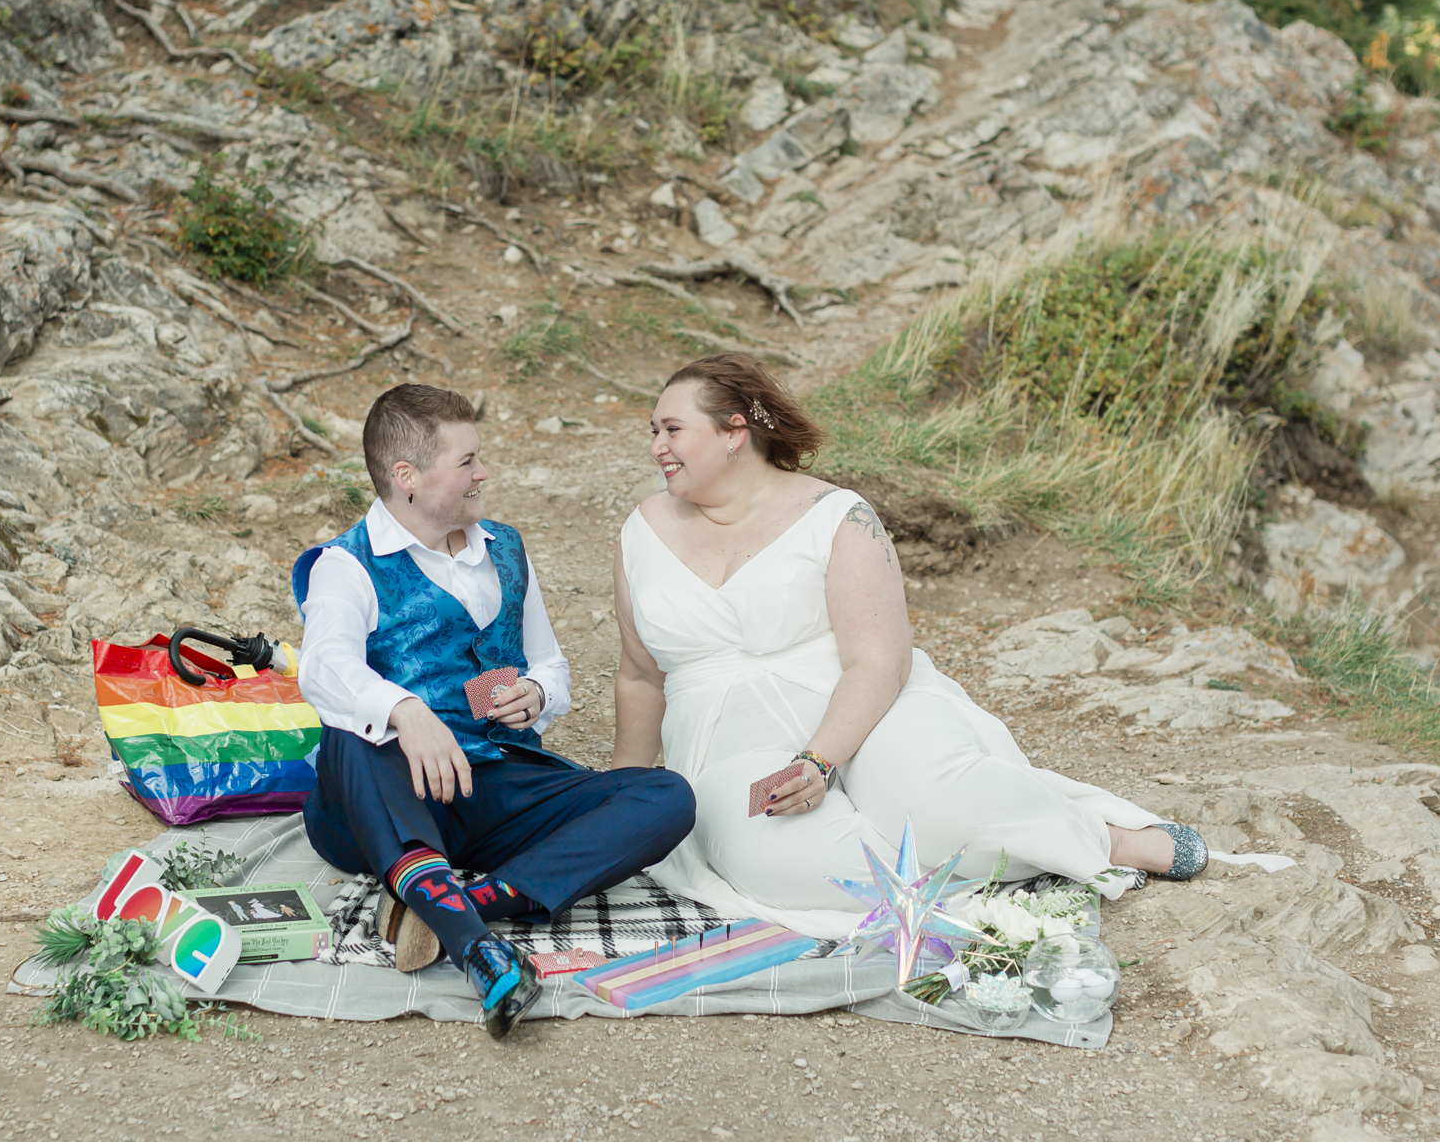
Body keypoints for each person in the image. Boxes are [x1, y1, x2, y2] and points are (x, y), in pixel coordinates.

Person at [610, 354, 1207, 938]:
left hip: (860, 706)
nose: (657, 446)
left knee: (944, 808)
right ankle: (995, 863)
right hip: (727, 742)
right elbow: (639, 676)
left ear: (735, 431)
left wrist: (819, 760)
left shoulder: (835, 515)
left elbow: (878, 659)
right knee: (798, 869)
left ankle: (1109, 840)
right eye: (653, 432)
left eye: (672, 430)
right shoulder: (644, 531)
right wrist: (619, 807)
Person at [295, 384, 697, 1038]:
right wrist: (407, 713)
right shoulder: (347, 566)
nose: (484, 472)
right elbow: (322, 669)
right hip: (383, 801)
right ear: (408, 478)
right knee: (348, 735)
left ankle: (458, 900)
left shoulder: (504, 548)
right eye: (466, 461)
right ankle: (478, 952)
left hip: (491, 781)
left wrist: (536, 694)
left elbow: (550, 666)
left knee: (666, 796)